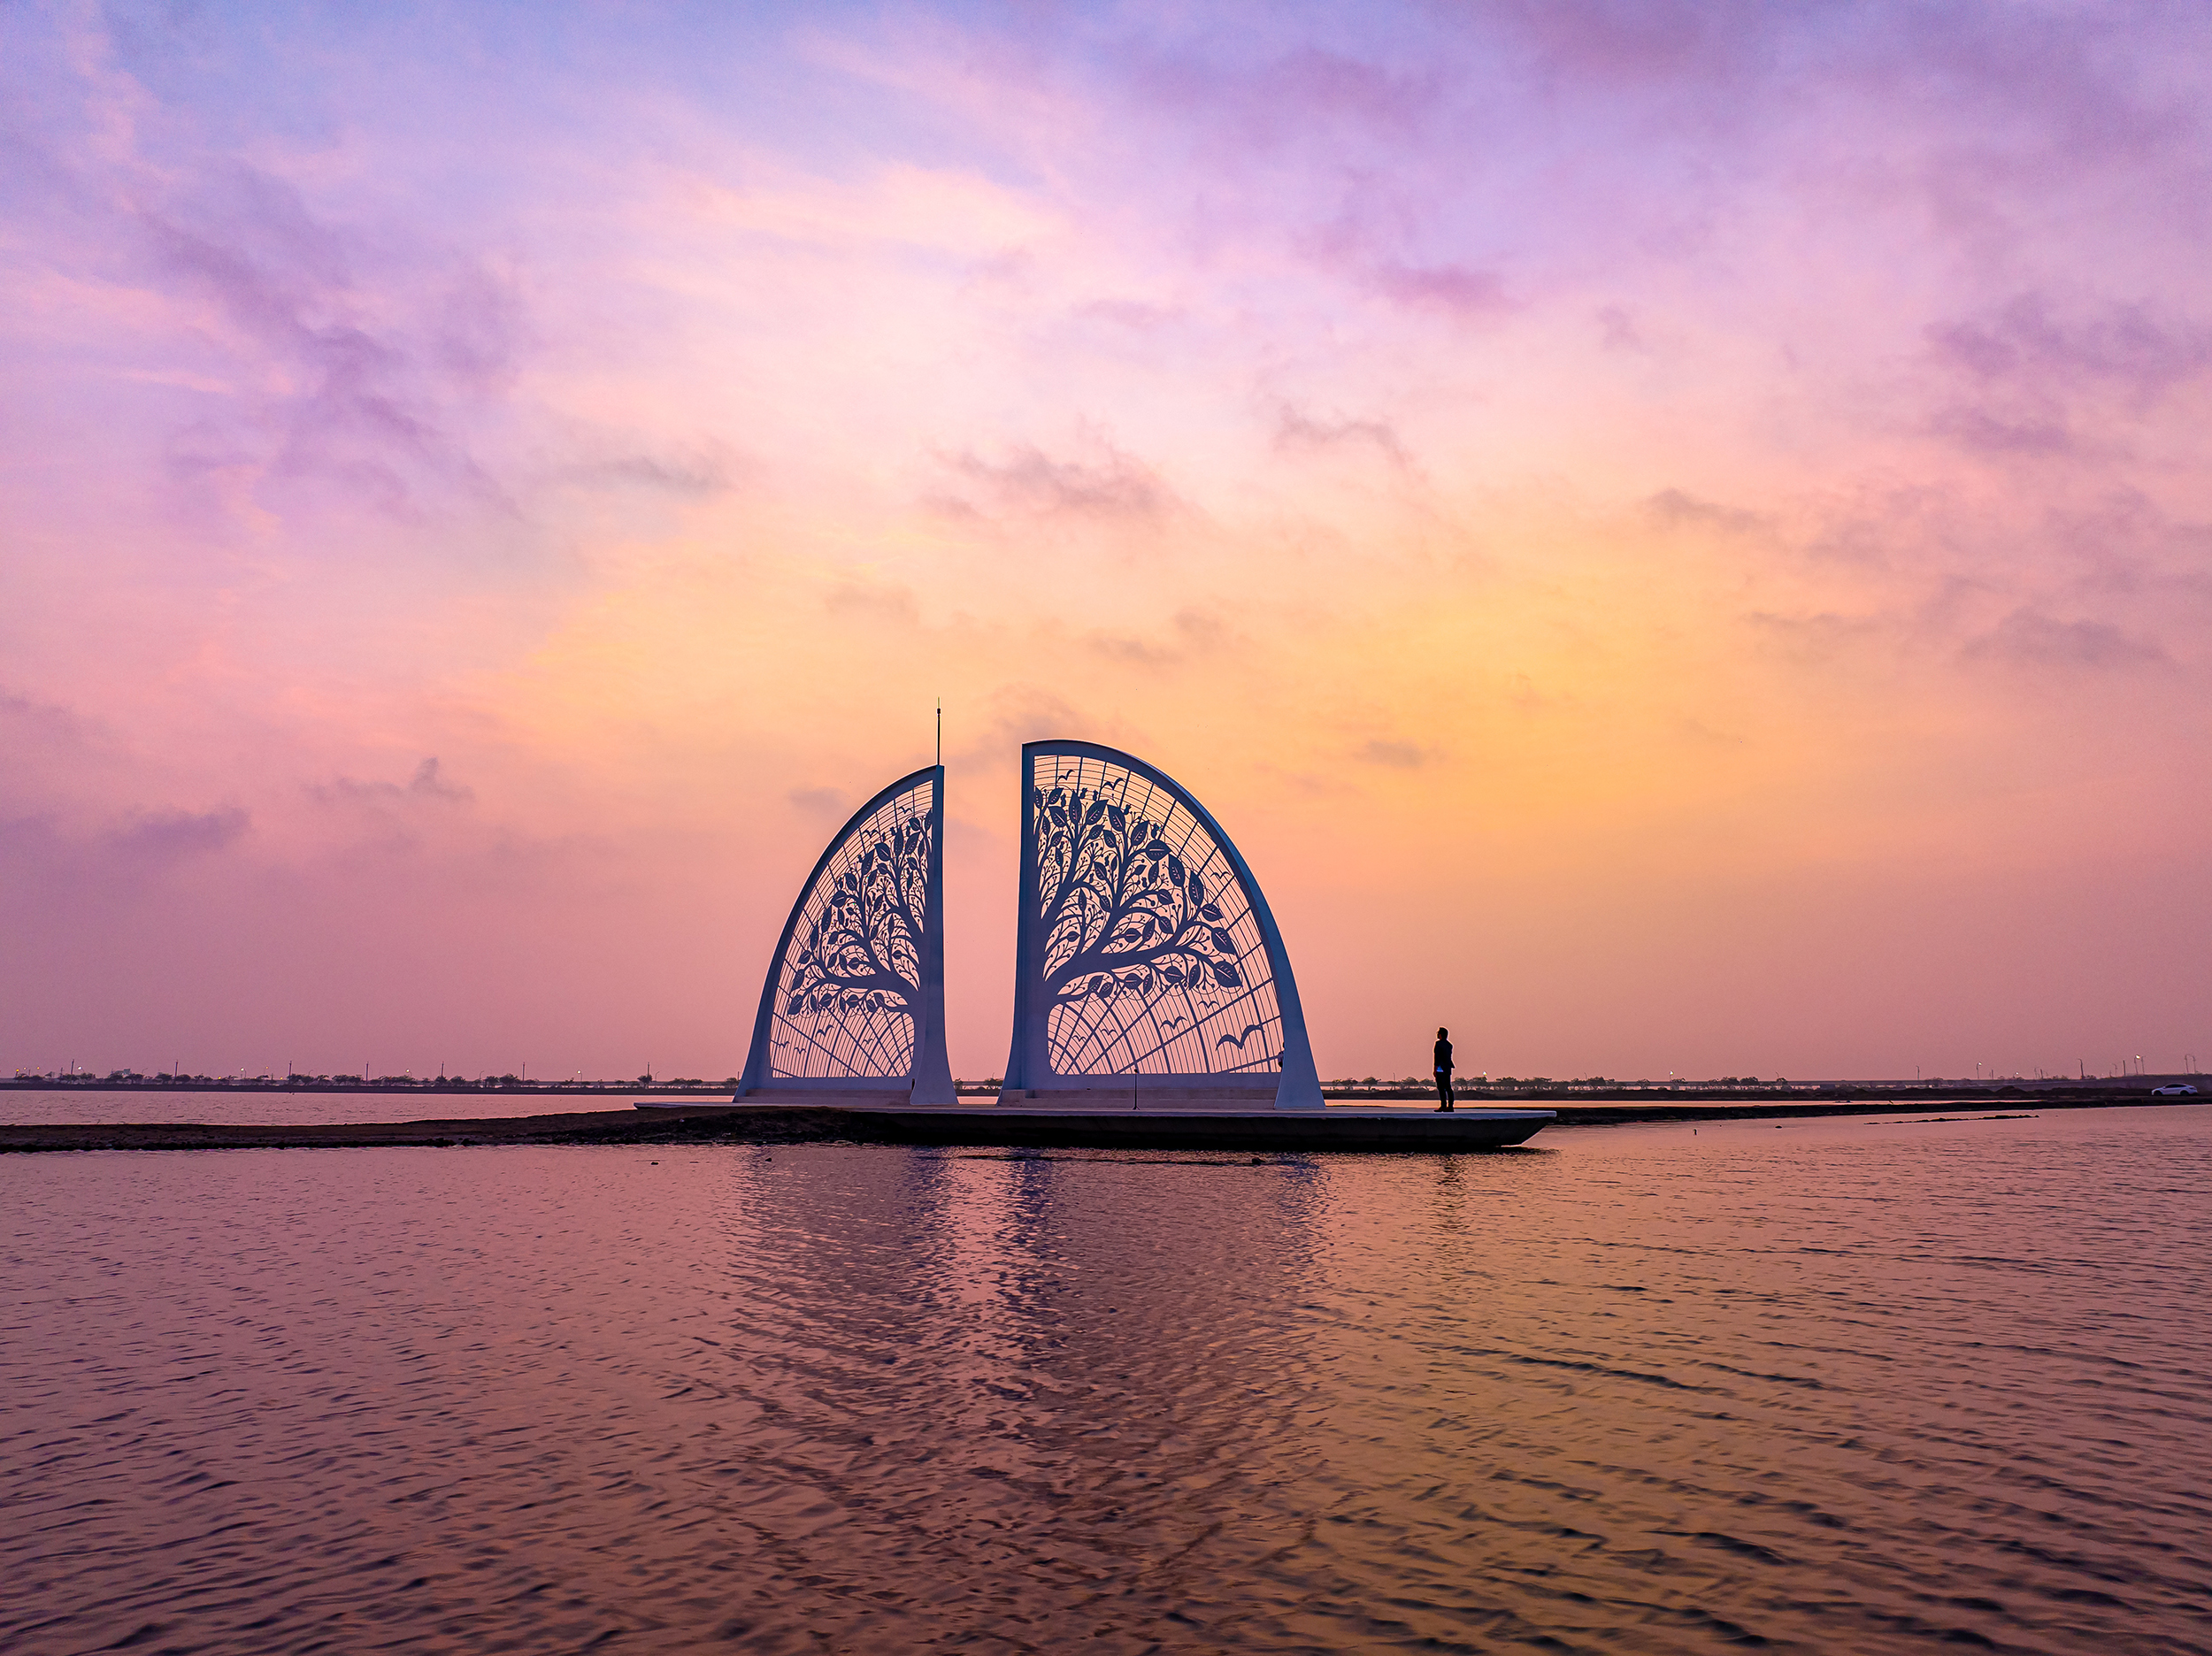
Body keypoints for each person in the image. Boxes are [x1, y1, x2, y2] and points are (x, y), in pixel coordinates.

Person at [1433, 1027, 1455, 1112]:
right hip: (1447, 1068)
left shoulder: (1438, 1044)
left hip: (1440, 1068)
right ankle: (1450, 1106)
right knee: (1448, 1087)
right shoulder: (1449, 1045)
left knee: (1441, 1088)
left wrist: (1435, 1069)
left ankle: (1443, 1105)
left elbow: (1437, 1058)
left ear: (1441, 1035)